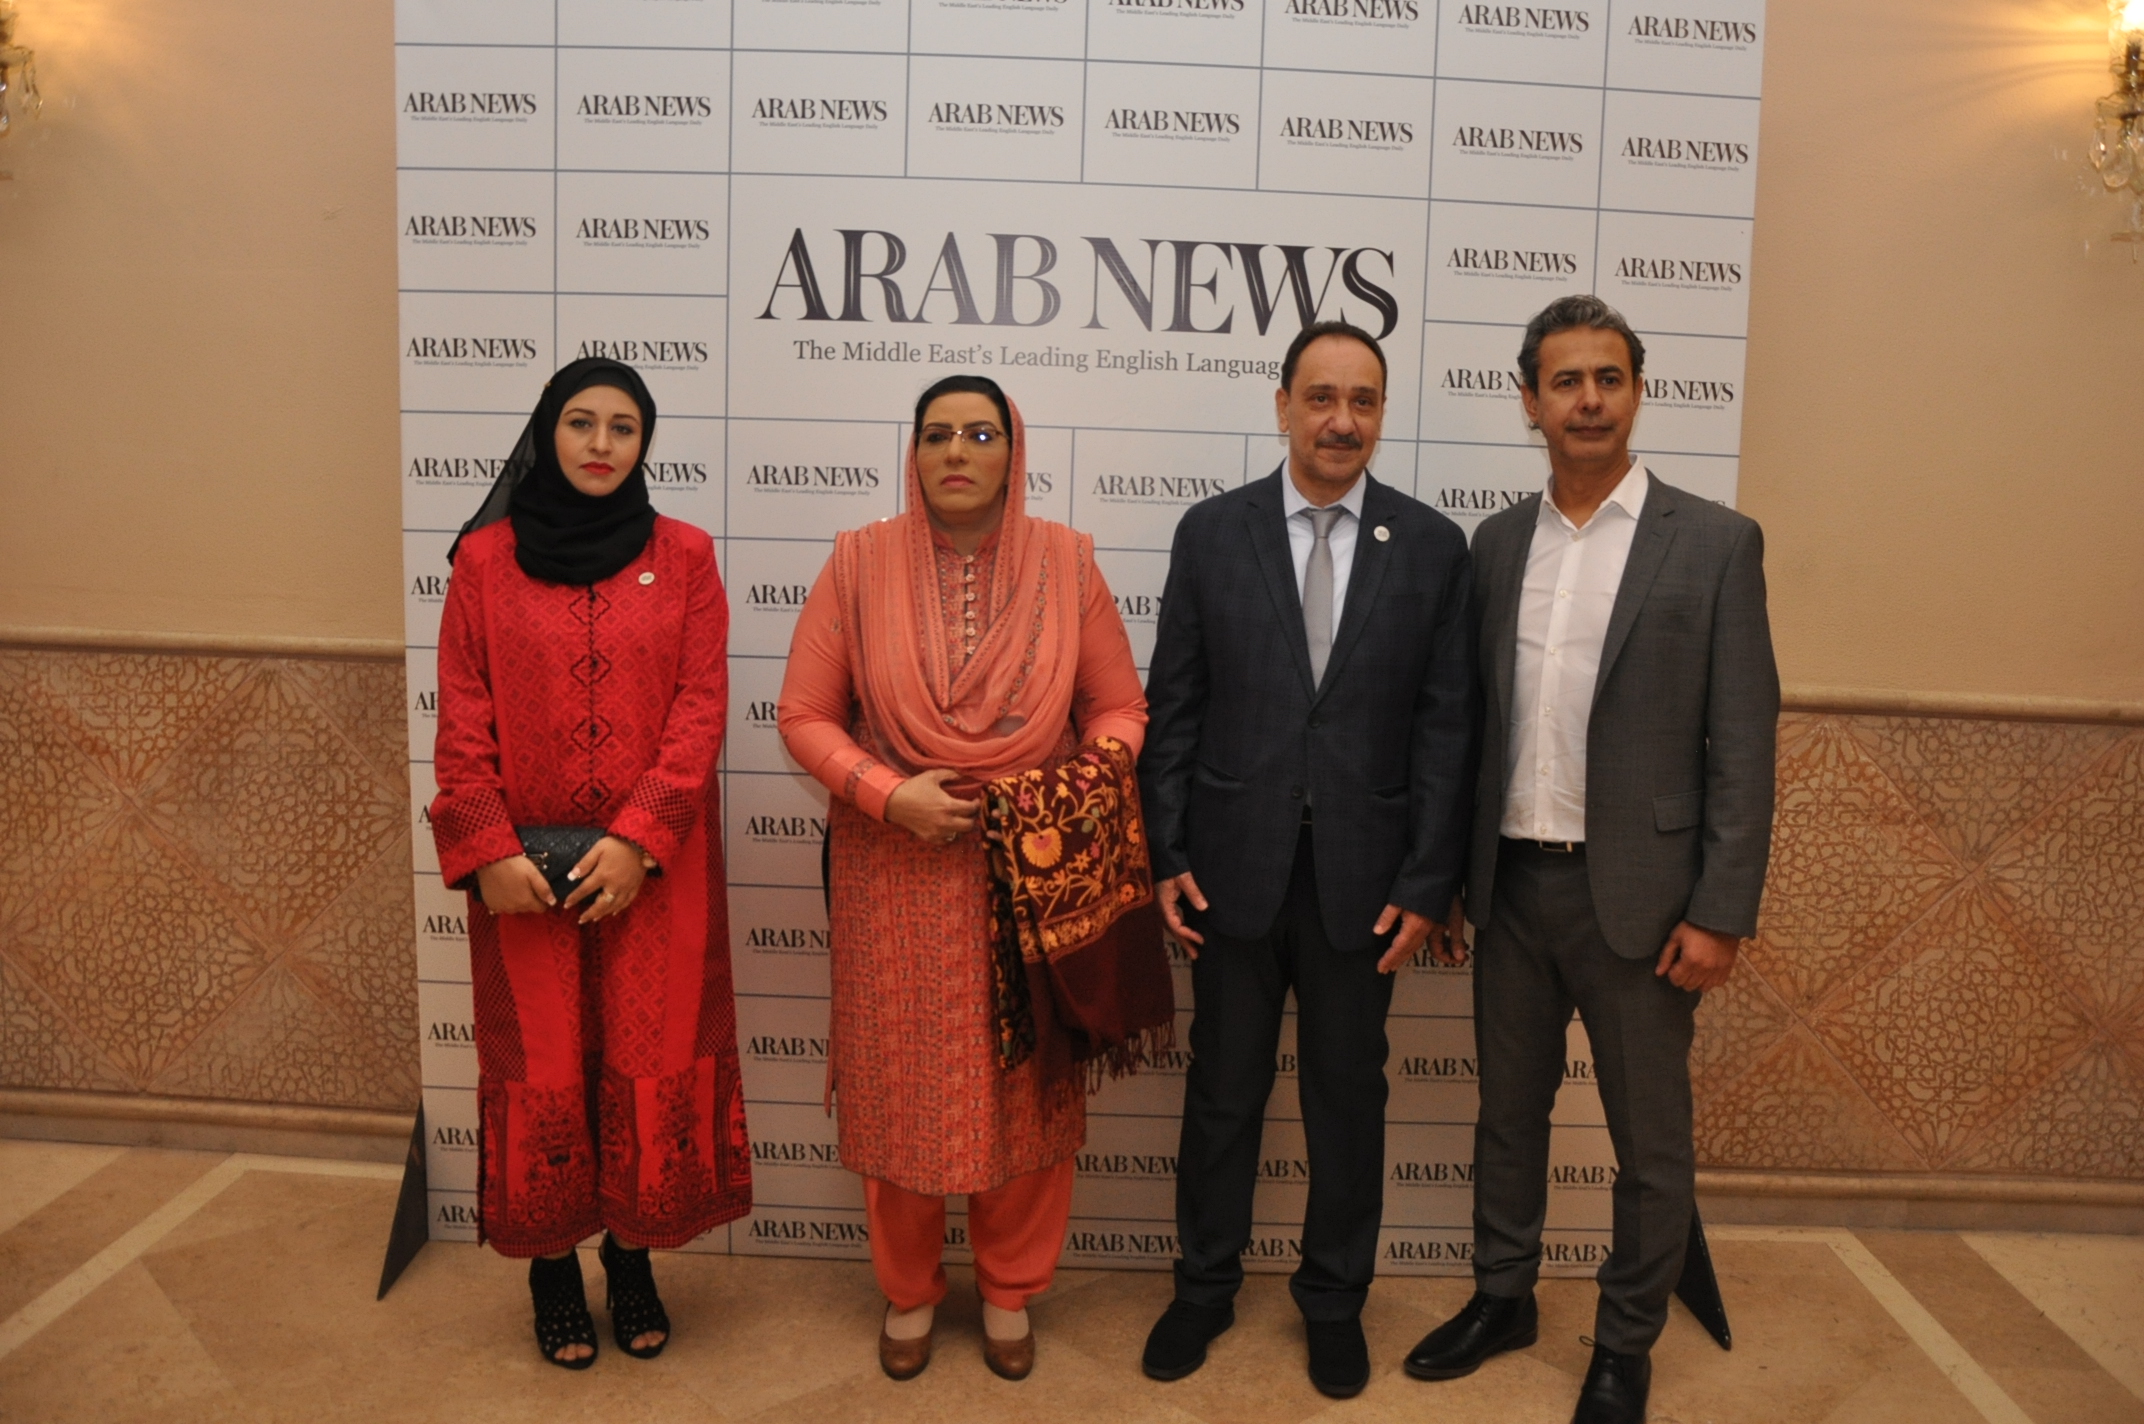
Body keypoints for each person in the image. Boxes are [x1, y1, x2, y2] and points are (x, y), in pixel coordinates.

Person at [1401, 295, 1778, 1424]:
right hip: (1512, 887)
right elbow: (1468, 725)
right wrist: (1456, 881)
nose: (1585, 399)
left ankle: (1624, 1342)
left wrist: (1719, 909)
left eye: (1606, 377)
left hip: (1644, 903)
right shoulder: (1496, 542)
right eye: (1563, 381)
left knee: (1648, 1141)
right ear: (1529, 400)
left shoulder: (1712, 540)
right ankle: (1502, 1295)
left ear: (1635, 391)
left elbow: (1742, 743)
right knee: (1505, 1118)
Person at [777, 375, 1149, 1383]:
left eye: (978, 433)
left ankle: (1009, 1286)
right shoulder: (857, 563)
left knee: (1022, 1088)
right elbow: (803, 714)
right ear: (912, 450)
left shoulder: (1065, 563)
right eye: (936, 433)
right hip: (891, 863)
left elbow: (1120, 711)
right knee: (902, 1085)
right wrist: (887, 793)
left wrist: (1057, 794)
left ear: (1009, 451)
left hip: (1030, 876)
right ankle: (905, 1287)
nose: (956, 450)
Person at [1137, 321, 1478, 1398]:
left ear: (1380, 413)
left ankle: (1332, 1300)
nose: (1341, 420)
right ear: (1280, 402)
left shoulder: (1430, 547)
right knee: (1222, 1092)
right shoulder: (1211, 532)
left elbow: (1444, 726)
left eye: (1363, 400)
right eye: (1321, 396)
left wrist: (1428, 880)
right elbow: (1174, 707)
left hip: (1366, 885)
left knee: (1346, 1098)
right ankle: (1202, 1287)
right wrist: (1165, 852)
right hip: (1227, 871)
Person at [430, 357, 752, 1369]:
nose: (602, 443)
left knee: (645, 1054)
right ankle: (552, 1268)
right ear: (547, 433)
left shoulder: (687, 554)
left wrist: (639, 837)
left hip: (654, 873)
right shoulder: (484, 561)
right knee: (544, 1060)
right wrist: (483, 848)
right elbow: (462, 713)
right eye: (580, 422)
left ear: (645, 442)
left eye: (623, 425)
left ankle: (633, 1254)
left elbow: (700, 707)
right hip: (521, 876)